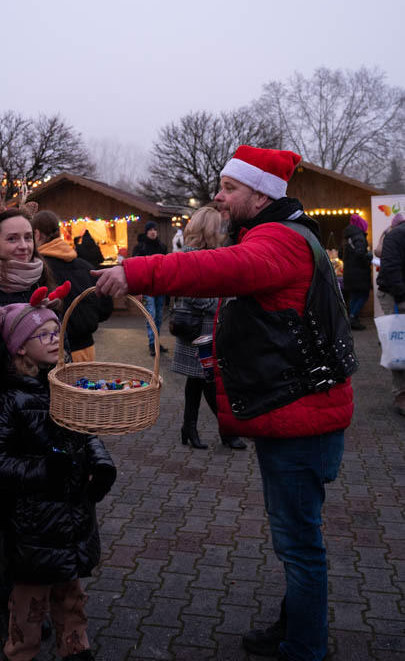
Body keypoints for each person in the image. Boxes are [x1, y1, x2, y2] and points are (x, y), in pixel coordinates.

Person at [92, 144, 356, 661]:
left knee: (300, 546)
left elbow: (216, 269)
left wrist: (138, 272)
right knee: (298, 540)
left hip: (301, 419)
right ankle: (294, 628)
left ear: (260, 194)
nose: (219, 195)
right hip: (299, 413)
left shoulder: (277, 241)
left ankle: (305, 647)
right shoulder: (284, 233)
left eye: (230, 188)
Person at [0, 286, 116, 661]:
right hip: (33, 528)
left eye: (57, 332)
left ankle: (76, 650)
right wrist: (44, 469)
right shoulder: (12, 401)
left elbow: (85, 432)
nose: (55, 339)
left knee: (72, 598)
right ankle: (21, 652)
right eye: (44, 335)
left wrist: (101, 463)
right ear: (20, 347)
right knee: (28, 607)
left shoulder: (66, 385)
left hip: (72, 517)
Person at [0, 207, 54, 642]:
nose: (23, 246)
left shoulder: (47, 278)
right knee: (0, 515)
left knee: (43, 511)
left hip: (47, 410)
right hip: (0, 414)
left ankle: (37, 596)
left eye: (27, 238)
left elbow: (70, 330)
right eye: (12, 239)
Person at [172, 206, 246, 451]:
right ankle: (228, 431)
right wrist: (219, 301)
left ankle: (188, 428)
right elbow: (188, 291)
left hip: (203, 327)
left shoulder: (207, 253)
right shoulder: (191, 255)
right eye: (217, 227)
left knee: (197, 380)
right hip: (198, 328)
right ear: (208, 229)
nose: (222, 231)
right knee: (210, 381)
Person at [32, 210, 113, 362]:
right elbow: (105, 307)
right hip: (87, 350)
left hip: (53, 353)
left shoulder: (37, 270)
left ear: (36, 234)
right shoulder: (85, 267)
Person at [376, 213, 405, 416]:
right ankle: (401, 394)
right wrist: (402, 297)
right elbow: (391, 268)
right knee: (399, 345)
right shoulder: (396, 237)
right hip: (395, 295)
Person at [132, 220, 169, 356]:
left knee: (159, 316)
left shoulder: (162, 246)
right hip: (147, 288)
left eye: (155, 229)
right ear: (146, 232)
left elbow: (167, 267)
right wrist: (137, 289)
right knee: (151, 316)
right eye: (150, 230)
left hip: (160, 287)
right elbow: (135, 270)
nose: (153, 232)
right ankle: (152, 344)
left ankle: (156, 343)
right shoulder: (140, 248)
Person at [339, 213, 372, 330]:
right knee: (363, 295)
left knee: (354, 296)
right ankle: (352, 317)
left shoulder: (346, 237)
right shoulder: (359, 237)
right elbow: (360, 255)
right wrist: (369, 256)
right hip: (360, 273)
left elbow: (340, 254)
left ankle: (351, 318)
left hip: (348, 272)